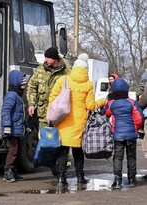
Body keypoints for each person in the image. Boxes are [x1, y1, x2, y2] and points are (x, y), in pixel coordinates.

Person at [48, 53, 106, 186]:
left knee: (62, 150)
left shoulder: (63, 80)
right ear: (85, 70)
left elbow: (52, 98)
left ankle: (61, 179)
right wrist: (102, 101)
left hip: (63, 119)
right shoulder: (88, 84)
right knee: (78, 151)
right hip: (79, 122)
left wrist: (52, 114)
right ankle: (80, 178)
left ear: (74, 67)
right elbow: (90, 106)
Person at [26, 47, 70, 176]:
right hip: (43, 113)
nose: (45, 60)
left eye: (48, 58)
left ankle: (61, 168)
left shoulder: (66, 71)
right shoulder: (40, 70)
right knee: (45, 139)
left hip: (61, 114)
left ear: (54, 59)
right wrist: (32, 104)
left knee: (61, 140)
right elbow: (32, 86)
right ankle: (46, 162)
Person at [103, 78, 143, 189]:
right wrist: (135, 128)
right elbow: (139, 118)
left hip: (118, 136)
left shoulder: (111, 103)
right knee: (131, 158)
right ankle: (132, 180)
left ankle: (117, 181)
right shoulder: (132, 102)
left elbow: (105, 113)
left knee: (118, 158)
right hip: (131, 135)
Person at [1, 70, 27, 183]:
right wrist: (7, 127)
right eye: (22, 83)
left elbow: (20, 115)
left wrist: (26, 126)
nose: (24, 85)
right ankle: (8, 171)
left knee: (17, 149)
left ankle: (13, 170)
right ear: (16, 82)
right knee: (13, 150)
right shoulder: (12, 96)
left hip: (16, 128)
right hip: (12, 128)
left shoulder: (17, 95)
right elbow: (6, 111)